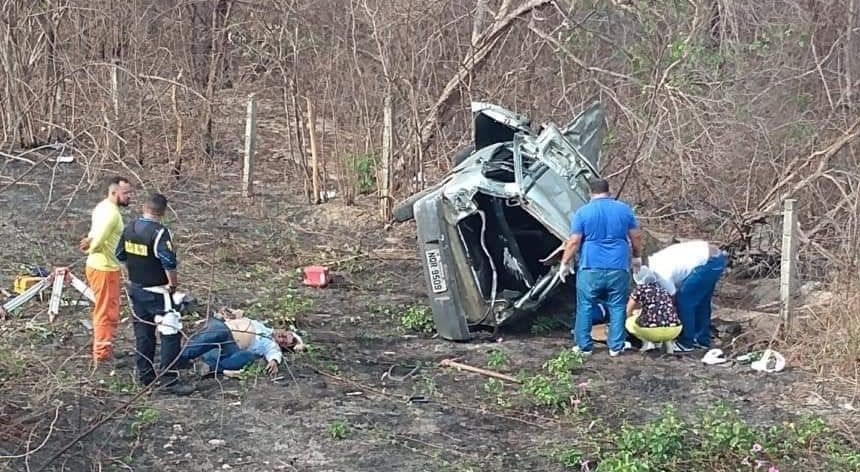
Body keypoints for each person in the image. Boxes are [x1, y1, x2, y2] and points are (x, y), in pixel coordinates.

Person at [116, 193, 194, 395]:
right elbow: (168, 261)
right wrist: (173, 284)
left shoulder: (129, 227)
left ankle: (145, 376)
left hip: (136, 288)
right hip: (158, 291)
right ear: (163, 212)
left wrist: (132, 273)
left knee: (143, 333)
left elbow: (120, 255)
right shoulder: (160, 233)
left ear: (144, 207)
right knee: (171, 330)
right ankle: (169, 379)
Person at [559, 178, 643, 356]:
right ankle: (616, 346)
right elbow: (636, 237)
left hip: (591, 267)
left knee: (586, 305)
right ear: (609, 191)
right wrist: (636, 257)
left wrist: (565, 263)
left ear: (590, 192)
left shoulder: (583, 212)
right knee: (618, 306)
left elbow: (574, 241)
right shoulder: (624, 210)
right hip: (618, 267)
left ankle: (584, 347)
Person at [79, 176, 133, 366]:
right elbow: (98, 241)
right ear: (113, 192)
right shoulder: (112, 215)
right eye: (125, 193)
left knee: (105, 309)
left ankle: (105, 346)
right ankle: (102, 354)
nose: (129, 196)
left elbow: (93, 236)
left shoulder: (102, 207)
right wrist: (89, 245)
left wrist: (89, 242)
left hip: (97, 266)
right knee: (106, 311)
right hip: (104, 269)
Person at [645, 240, 728, 352]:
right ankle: (701, 340)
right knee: (701, 302)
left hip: (707, 263)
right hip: (716, 259)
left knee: (684, 302)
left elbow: (673, 298)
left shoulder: (660, 275)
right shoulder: (655, 259)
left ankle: (686, 342)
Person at [178, 313, 304, 378]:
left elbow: (274, 355)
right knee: (216, 331)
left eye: (285, 342)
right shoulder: (262, 325)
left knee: (248, 356)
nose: (282, 339)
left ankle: (199, 361)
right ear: (284, 330)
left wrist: (274, 362)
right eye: (285, 335)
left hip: (231, 347)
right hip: (223, 328)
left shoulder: (271, 345)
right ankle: (179, 358)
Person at [625, 266, 682, 352]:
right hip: (675, 329)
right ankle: (668, 345)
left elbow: (629, 308)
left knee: (629, 322)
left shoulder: (640, 289)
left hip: (652, 330)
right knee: (663, 318)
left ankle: (646, 343)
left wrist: (628, 316)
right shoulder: (663, 289)